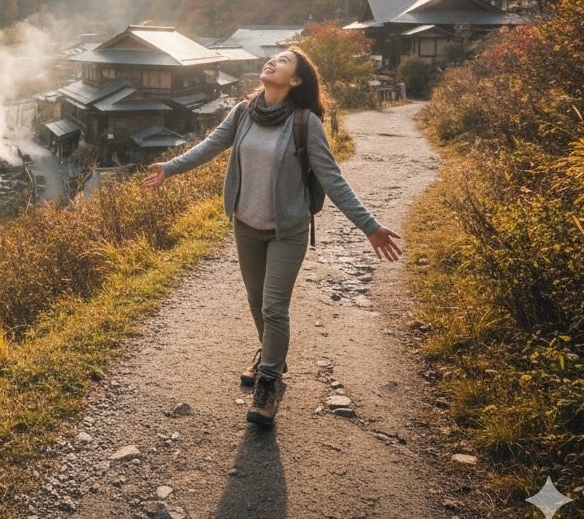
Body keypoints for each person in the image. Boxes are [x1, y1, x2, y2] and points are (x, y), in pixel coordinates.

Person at [142, 48, 402, 428]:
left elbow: (332, 179)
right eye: (273, 57)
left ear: (295, 80)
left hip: (288, 230)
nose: (272, 61)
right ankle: (271, 355)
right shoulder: (243, 112)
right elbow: (210, 146)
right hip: (245, 224)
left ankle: (270, 382)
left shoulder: (305, 123)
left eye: (283, 61)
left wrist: (370, 227)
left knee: (274, 307)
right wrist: (169, 167)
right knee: (256, 300)